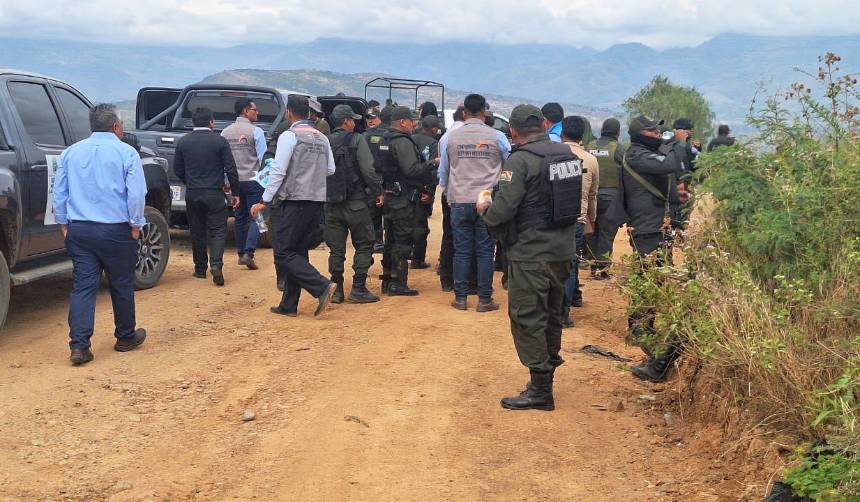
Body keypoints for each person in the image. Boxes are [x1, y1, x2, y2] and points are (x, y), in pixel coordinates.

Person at [479, 104, 581, 411]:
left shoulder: (520, 161)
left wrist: (485, 208)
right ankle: (545, 377)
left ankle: (540, 389)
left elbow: (502, 210)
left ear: (513, 130)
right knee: (551, 314)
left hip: (531, 253)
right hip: (561, 251)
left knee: (527, 317)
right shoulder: (567, 155)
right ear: (544, 125)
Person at [53, 104, 148, 365]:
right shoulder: (127, 153)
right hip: (116, 230)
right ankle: (125, 336)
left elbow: (59, 191)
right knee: (121, 283)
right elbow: (136, 194)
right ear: (115, 126)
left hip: (80, 230)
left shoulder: (71, 153)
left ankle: (79, 346)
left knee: (83, 286)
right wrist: (136, 224)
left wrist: (63, 221)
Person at [611, 115, 689, 382]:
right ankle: (640, 331)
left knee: (652, 281)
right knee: (648, 281)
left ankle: (645, 329)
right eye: (652, 131)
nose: (658, 133)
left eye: (659, 130)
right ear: (639, 134)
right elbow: (669, 162)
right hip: (647, 231)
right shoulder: (636, 155)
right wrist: (675, 142)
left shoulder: (645, 154)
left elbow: (672, 174)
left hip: (655, 228)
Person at [250, 95, 337, 317]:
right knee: (297, 250)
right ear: (308, 114)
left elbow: (278, 170)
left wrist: (264, 200)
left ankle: (321, 286)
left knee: (283, 252)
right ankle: (289, 304)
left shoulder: (290, 136)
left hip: (293, 200)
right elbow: (330, 170)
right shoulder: (322, 138)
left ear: (289, 113)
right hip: (316, 201)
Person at [439, 93, 510, 311]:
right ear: (484, 112)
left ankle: (460, 299)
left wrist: (450, 192)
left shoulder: (451, 137)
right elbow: (510, 166)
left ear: (464, 112)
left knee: (461, 250)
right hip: (487, 201)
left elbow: (443, 172)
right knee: (485, 250)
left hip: (459, 200)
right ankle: (484, 300)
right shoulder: (497, 136)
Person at [174, 108, 241, 286]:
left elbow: (177, 170)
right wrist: (235, 193)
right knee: (218, 230)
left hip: (193, 193)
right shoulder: (220, 141)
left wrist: (190, 182)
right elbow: (231, 170)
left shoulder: (183, 142)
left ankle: (200, 269)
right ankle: (216, 265)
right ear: (211, 122)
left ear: (193, 122)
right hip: (214, 192)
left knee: (197, 230)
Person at [324, 104, 384, 304]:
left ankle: (337, 289)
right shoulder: (358, 139)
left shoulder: (325, 141)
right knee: (365, 243)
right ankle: (358, 287)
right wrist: (377, 192)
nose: (355, 122)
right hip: (356, 202)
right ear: (346, 121)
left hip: (331, 203)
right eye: (352, 119)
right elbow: (368, 169)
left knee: (336, 249)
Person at [378, 106, 437, 295]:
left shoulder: (384, 139)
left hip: (389, 194)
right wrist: (431, 163)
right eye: (411, 121)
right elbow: (411, 170)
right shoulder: (402, 142)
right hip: (402, 198)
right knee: (402, 240)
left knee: (390, 239)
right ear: (403, 122)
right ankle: (398, 283)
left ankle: (388, 279)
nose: (414, 124)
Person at [560, 116, 598, 327]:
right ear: (582, 135)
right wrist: (591, 219)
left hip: (555, 218)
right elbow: (593, 194)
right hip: (578, 219)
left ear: (562, 133)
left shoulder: (553, 155)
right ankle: (566, 310)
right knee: (571, 262)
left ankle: (554, 308)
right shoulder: (590, 160)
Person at [222, 98, 267, 270]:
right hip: (254, 181)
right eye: (255, 110)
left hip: (235, 183)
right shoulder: (256, 132)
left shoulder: (225, 132)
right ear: (246, 111)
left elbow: (224, 160)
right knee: (259, 217)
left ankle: (241, 253)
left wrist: (226, 181)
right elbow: (263, 159)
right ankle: (249, 253)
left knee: (239, 217)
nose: (257, 113)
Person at [586, 118, 626, 279]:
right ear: (618, 133)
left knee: (592, 232)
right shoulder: (618, 149)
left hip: (590, 197)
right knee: (606, 233)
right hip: (610, 198)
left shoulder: (590, 147)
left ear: (602, 129)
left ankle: (593, 265)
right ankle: (601, 269)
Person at [410, 115, 441, 269]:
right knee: (420, 225)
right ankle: (417, 259)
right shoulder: (434, 143)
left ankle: (406, 256)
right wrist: (429, 191)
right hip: (423, 189)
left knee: (405, 224)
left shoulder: (410, 138)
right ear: (434, 129)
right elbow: (433, 171)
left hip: (407, 188)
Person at [364, 106, 392, 253]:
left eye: (373, 118)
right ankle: (378, 240)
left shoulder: (366, 136)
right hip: (375, 176)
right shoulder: (387, 134)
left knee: (378, 211)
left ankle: (379, 240)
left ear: (379, 118)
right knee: (375, 212)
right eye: (368, 118)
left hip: (380, 176)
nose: (370, 121)